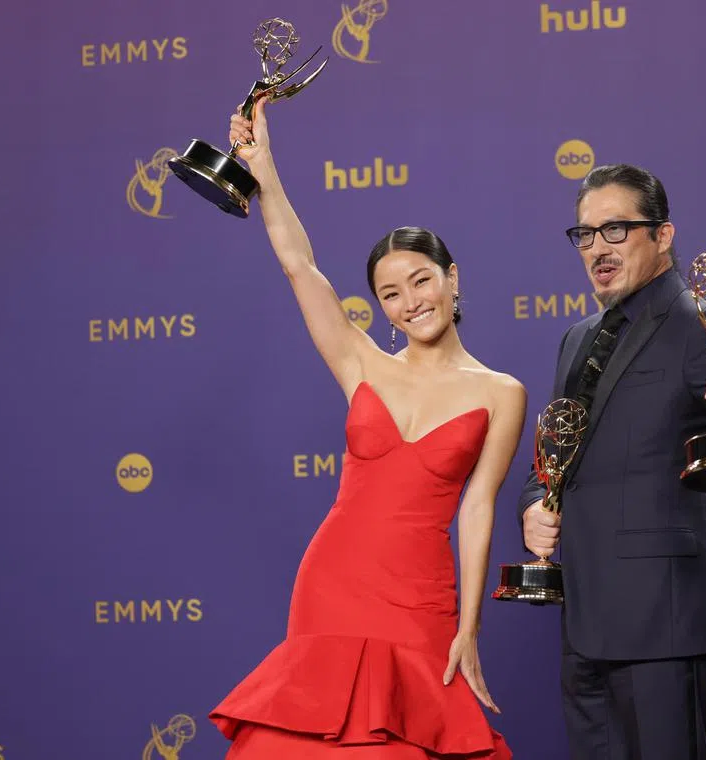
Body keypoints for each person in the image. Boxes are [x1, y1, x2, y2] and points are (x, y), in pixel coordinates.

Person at [209, 96, 525, 760]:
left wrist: (469, 627)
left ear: (452, 279)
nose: (412, 302)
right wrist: (264, 171)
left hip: (420, 594)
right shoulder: (361, 364)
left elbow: (478, 509)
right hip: (335, 579)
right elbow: (300, 266)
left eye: (422, 281)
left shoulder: (501, 393)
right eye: (391, 294)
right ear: (381, 307)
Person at [518, 164, 706, 759]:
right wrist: (534, 505)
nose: (597, 248)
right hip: (584, 620)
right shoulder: (577, 337)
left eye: (615, 229)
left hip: (661, 622)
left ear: (662, 235)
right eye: (585, 235)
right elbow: (553, 455)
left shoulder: (698, 319)